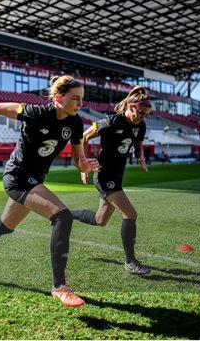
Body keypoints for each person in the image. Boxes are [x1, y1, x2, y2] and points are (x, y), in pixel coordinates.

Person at [0, 76, 99, 308]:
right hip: (17, 178)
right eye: (75, 98)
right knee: (62, 216)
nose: (80, 103)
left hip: (34, 180)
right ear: (59, 97)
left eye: (82, 99)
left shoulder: (75, 123)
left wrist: (83, 166)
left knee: (5, 227)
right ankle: (59, 287)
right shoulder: (36, 112)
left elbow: (77, 159)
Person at [71, 85, 151, 275]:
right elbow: (84, 136)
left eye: (145, 113)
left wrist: (140, 158)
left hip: (117, 176)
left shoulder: (140, 125)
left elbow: (138, 145)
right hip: (104, 175)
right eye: (140, 112)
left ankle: (66, 214)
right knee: (130, 214)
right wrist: (83, 165)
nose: (142, 116)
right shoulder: (111, 121)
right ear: (130, 107)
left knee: (100, 220)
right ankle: (130, 261)